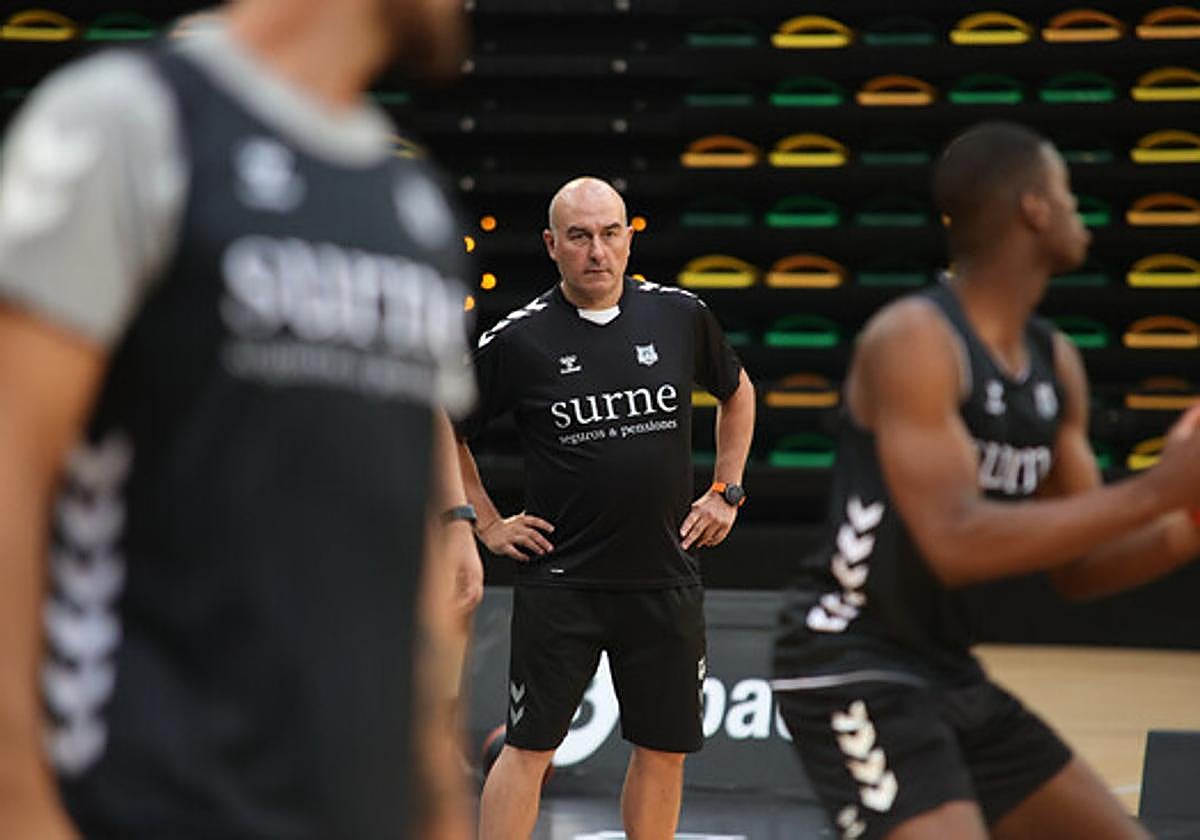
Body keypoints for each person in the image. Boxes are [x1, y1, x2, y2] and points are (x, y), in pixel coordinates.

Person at [0, 1, 483, 837]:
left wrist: (437, 802)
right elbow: (11, 474)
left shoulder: (413, 205)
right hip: (146, 795)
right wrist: (18, 797)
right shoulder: (129, 120)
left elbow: (391, 546)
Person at [772, 121, 1200, 840]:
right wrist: (1163, 487)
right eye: (1066, 193)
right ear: (1033, 207)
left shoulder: (1054, 362)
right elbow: (954, 541)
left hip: (948, 670)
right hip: (850, 660)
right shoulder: (916, 339)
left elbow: (1080, 567)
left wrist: (1189, 521)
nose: (1077, 212)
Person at [455, 176, 756, 840]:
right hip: (563, 582)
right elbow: (444, 426)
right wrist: (484, 519)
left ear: (629, 237)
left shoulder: (679, 315)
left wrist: (726, 490)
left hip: (664, 575)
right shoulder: (519, 339)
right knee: (530, 746)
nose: (598, 250)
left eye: (611, 233)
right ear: (551, 245)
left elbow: (738, 393)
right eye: (580, 236)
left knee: (664, 749)